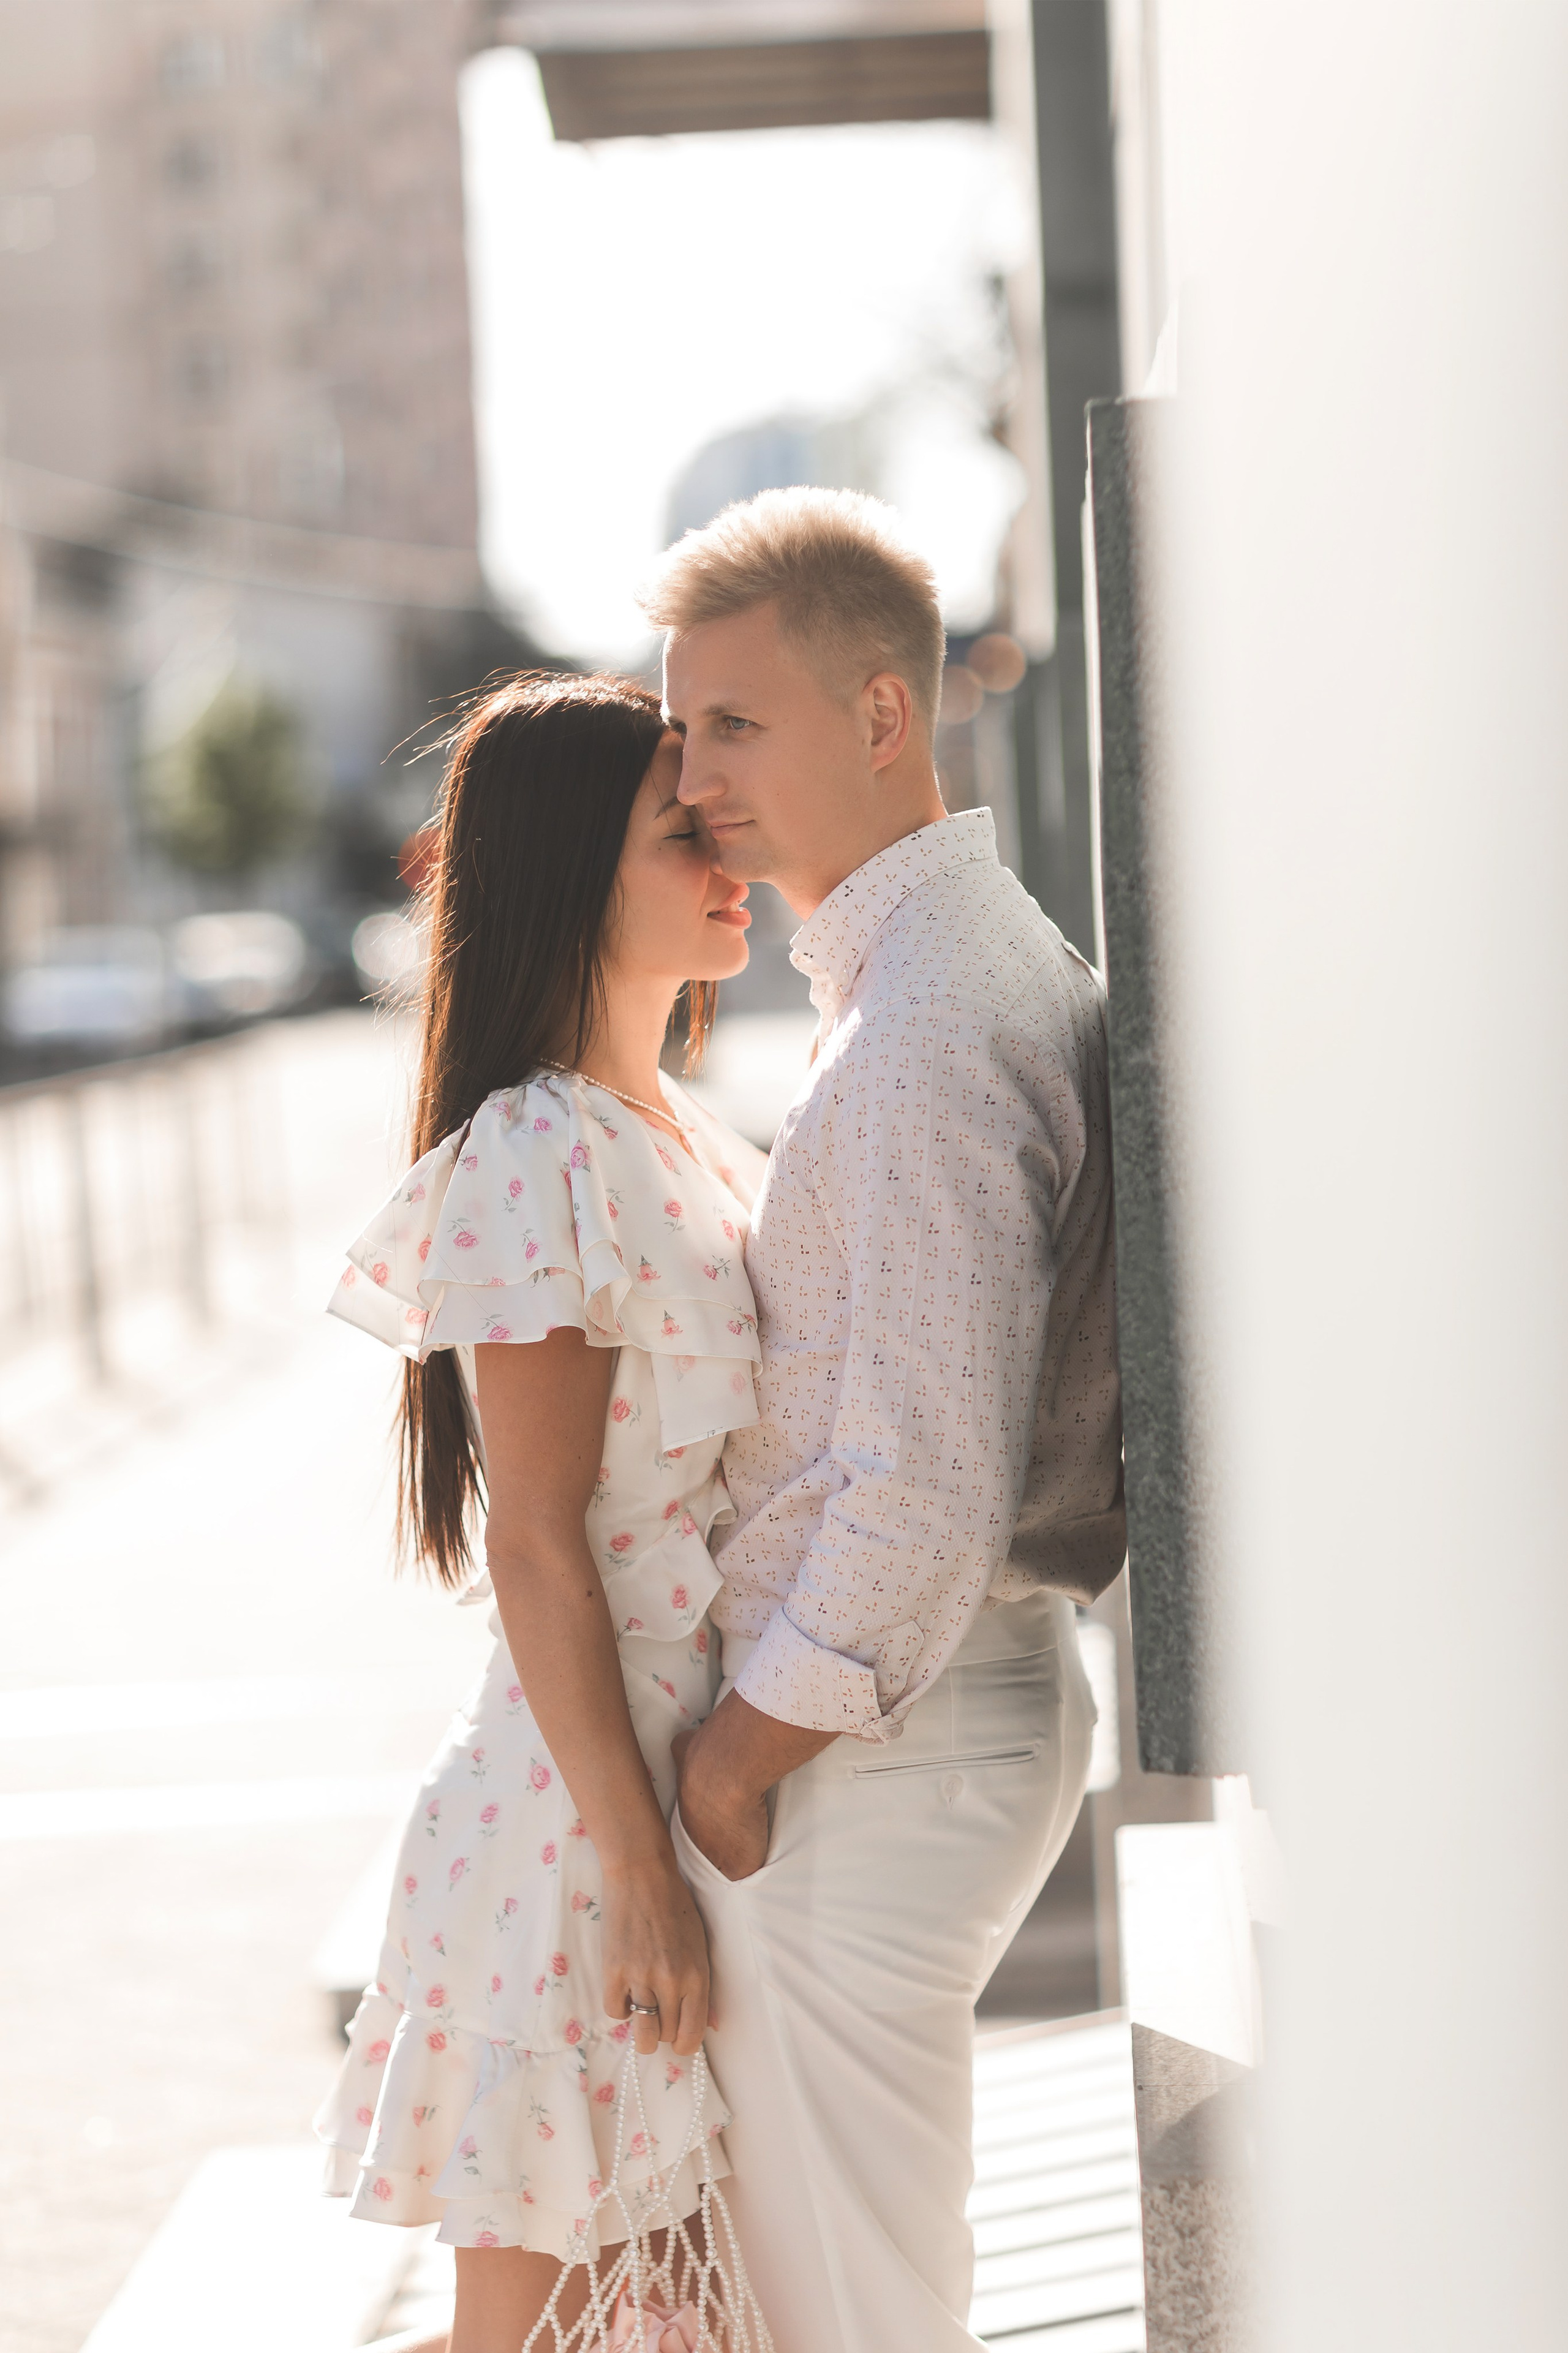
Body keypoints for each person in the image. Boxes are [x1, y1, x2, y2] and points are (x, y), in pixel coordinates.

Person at [645, 489, 1126, 2353]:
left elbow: (919, 1488)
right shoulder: (928, 976)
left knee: (857, 2313)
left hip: (876, 1738)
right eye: (682, 728)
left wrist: (734, 1766)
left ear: (880, 717)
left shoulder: (925, 1029)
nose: (693, 775)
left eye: (734, 724)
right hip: (915, 1721)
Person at [314, 674, 769, 2352]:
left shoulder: (680, 1135)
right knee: (533, 2334)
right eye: (684, 833)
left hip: (659, 1791)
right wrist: (640, 1869)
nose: (735, 860)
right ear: (581, 869)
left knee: (661, 2322)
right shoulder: (535, 1151)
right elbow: (536, 1540)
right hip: (575, 1836)